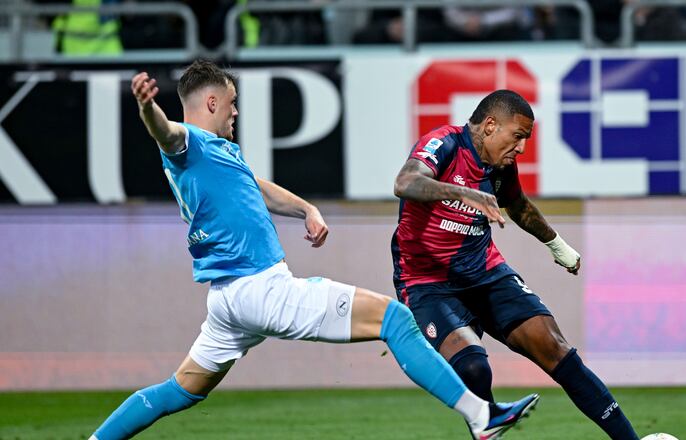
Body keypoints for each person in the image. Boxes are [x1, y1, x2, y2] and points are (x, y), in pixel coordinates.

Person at [88, 60, 538, 440]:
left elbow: (255, 187)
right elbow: (165, 134)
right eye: (231, 103)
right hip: (259, 289)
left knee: (178, 390)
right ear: (211, 103)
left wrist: (305, 208)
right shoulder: (188, 142)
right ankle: (482, 417)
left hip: (226, 301)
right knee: (395, 319)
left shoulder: (219, 154)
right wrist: (149, 109)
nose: (236, 111)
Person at [391, 90, 640, 440]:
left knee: (556, 349)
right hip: (428, 283)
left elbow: (518, 206)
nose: (521, 148)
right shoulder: (443, 143)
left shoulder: (500, 166)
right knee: (475, 368)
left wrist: (557, 245)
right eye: (518, 136)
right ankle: (487, 429)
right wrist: (464, 193)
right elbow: (405, 182)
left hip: (486, 273)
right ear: (490, 125)